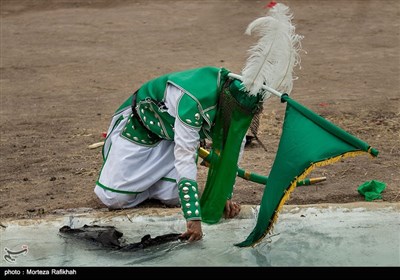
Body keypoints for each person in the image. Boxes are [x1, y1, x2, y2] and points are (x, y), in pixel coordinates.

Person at [94, 66, 264, 242]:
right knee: (112, 198)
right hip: (142, 132)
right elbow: (185, 157)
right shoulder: (193, 101)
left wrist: (224, 196)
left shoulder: (240, 105)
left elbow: (233, 150)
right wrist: (192, 218)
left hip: (173, 139)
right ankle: (141, 184)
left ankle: (143, 185)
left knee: (174, 196)